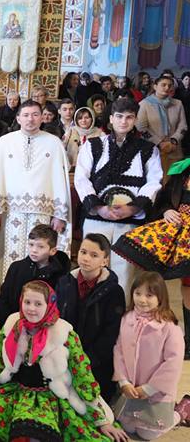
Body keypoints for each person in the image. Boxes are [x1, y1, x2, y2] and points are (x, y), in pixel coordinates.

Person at [0, 280, 127, 441]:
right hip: (15, 392)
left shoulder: (66, 335)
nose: (31, 309)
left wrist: (101, 421)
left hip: (49, 399)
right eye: (27, 302)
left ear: (49, 305)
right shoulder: (13, 327)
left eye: (38, 303)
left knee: (34, 433)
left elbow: (83, 377)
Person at [76, 98, 162, 288]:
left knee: (124, 274)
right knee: (92, 269)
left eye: (129, 117)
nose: (124, 121)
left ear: (135, 120)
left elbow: (154, 182)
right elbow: (81, 178)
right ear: (111, 119)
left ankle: (119, 316)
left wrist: (132, 208)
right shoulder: (93, 145)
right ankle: (89, 316)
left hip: (131, 220)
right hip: (97, 217)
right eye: (119, 116)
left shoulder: (148, 149)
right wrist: (98, 207)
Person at [0, 100, 71, 299]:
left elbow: (61, 179)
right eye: (25, 115)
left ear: (42, 117)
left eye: (35, 114)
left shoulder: (54, 143)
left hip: (42, 213)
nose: (30, 119)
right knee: (6, 260)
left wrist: (60, 214)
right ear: (18, 118)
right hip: (9, 213)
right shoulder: (4, 142)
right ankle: (5, 305)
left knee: (40, 259)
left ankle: (39, 306)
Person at [113, 153, 190, 353]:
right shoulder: (181, 171)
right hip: (181, 235)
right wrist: (166, 211)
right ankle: (189, 340)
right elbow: (163, 200)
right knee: (188, 288)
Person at [112, 272, 185, 440]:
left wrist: (150, 388)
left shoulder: (170, 327)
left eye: (149, 295)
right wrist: (123, 381)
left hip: (156, 391)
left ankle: (180, 412)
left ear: (160, 298)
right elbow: (119, 349)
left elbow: (172, 363)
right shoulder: (127, 318)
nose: (142, 299)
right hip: (132, 389)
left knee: (148, 434)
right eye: (137, 293)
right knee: (127, 426)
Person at [56, 233, 126, 402]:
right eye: (83, 252)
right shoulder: (64, 282)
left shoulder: (113, 291)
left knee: (92, 405)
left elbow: (111, 333)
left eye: (94, 255)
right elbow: (56, 319)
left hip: (96, 361)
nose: (86, 258)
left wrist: (88, 360)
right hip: (65, 355)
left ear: (105, 261)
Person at [0, 224, 70, 325]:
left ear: (52, 251)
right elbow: (4, 299)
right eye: (31, 244)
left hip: (46, 328)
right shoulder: (16, 268)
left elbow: (60, 306)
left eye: (40, 246)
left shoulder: (60, 275)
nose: (34, 250)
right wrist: (7, 325)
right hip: (16, 325)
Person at [137, 76, 187, 173]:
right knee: (154, 184)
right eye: (163, 85)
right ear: (155, 86)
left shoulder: (178, 103)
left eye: (169, 85)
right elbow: (141, 128)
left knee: (174, 182)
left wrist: (174, 140)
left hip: (174, 149)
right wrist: (159, 143)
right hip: (152, 150)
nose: (167, 88)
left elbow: (183, 126)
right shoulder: (144, 104)